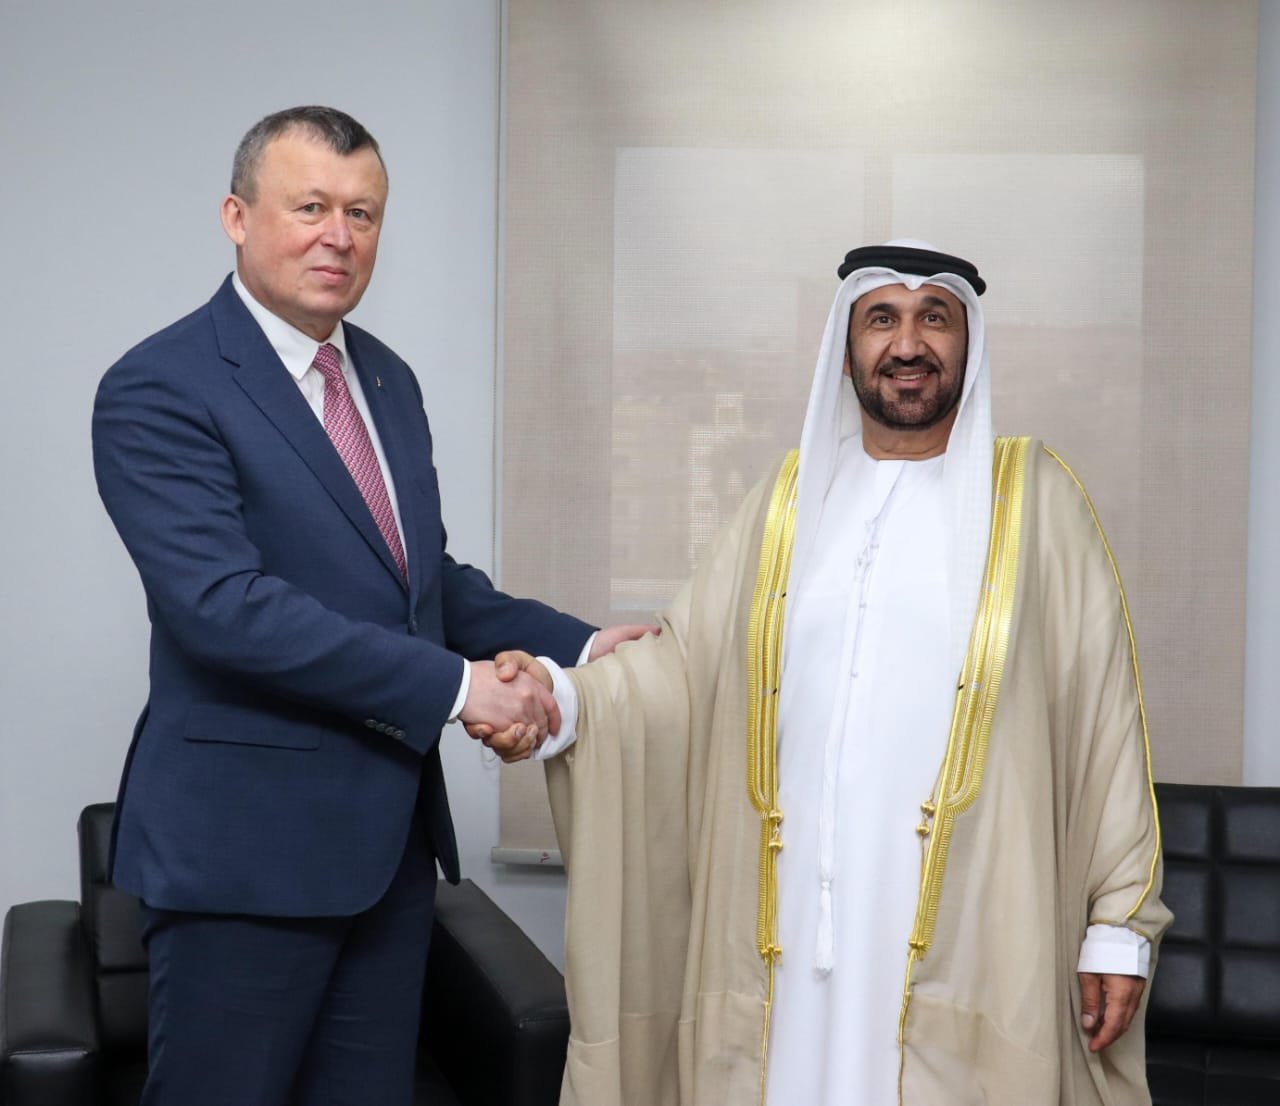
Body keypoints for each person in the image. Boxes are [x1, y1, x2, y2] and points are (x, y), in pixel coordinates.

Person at [483, 242, 1171, 1105]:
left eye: (934, 318)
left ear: (969, 343)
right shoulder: (788, 501)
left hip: (972, 924)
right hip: (791, 922)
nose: (908, 344)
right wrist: (560, 701)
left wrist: (1117, 927)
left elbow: (1107, 722)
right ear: (846, 350)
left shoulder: (1036, 501)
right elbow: (683, 673)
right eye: (882, 319)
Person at [91, 105, 650, 1106]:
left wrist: (583, 644)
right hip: (243, 859)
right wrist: (460, 687)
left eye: (362, 212)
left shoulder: (385, 379)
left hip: (387, 850)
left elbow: (422, 584)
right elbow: (224, 608)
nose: (338, 236)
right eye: (309, 207)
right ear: (236, 216)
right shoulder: (160, 386)